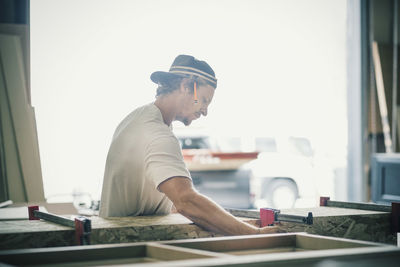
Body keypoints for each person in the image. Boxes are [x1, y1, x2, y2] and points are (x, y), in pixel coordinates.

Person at [99, 55, 275, 235]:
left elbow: (168, 201)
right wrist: (256, 234)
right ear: (185, 86)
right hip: (127, 247)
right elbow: (186, 201)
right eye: (204, 100)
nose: (205, 111)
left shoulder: (136, 118)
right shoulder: (157, 133)